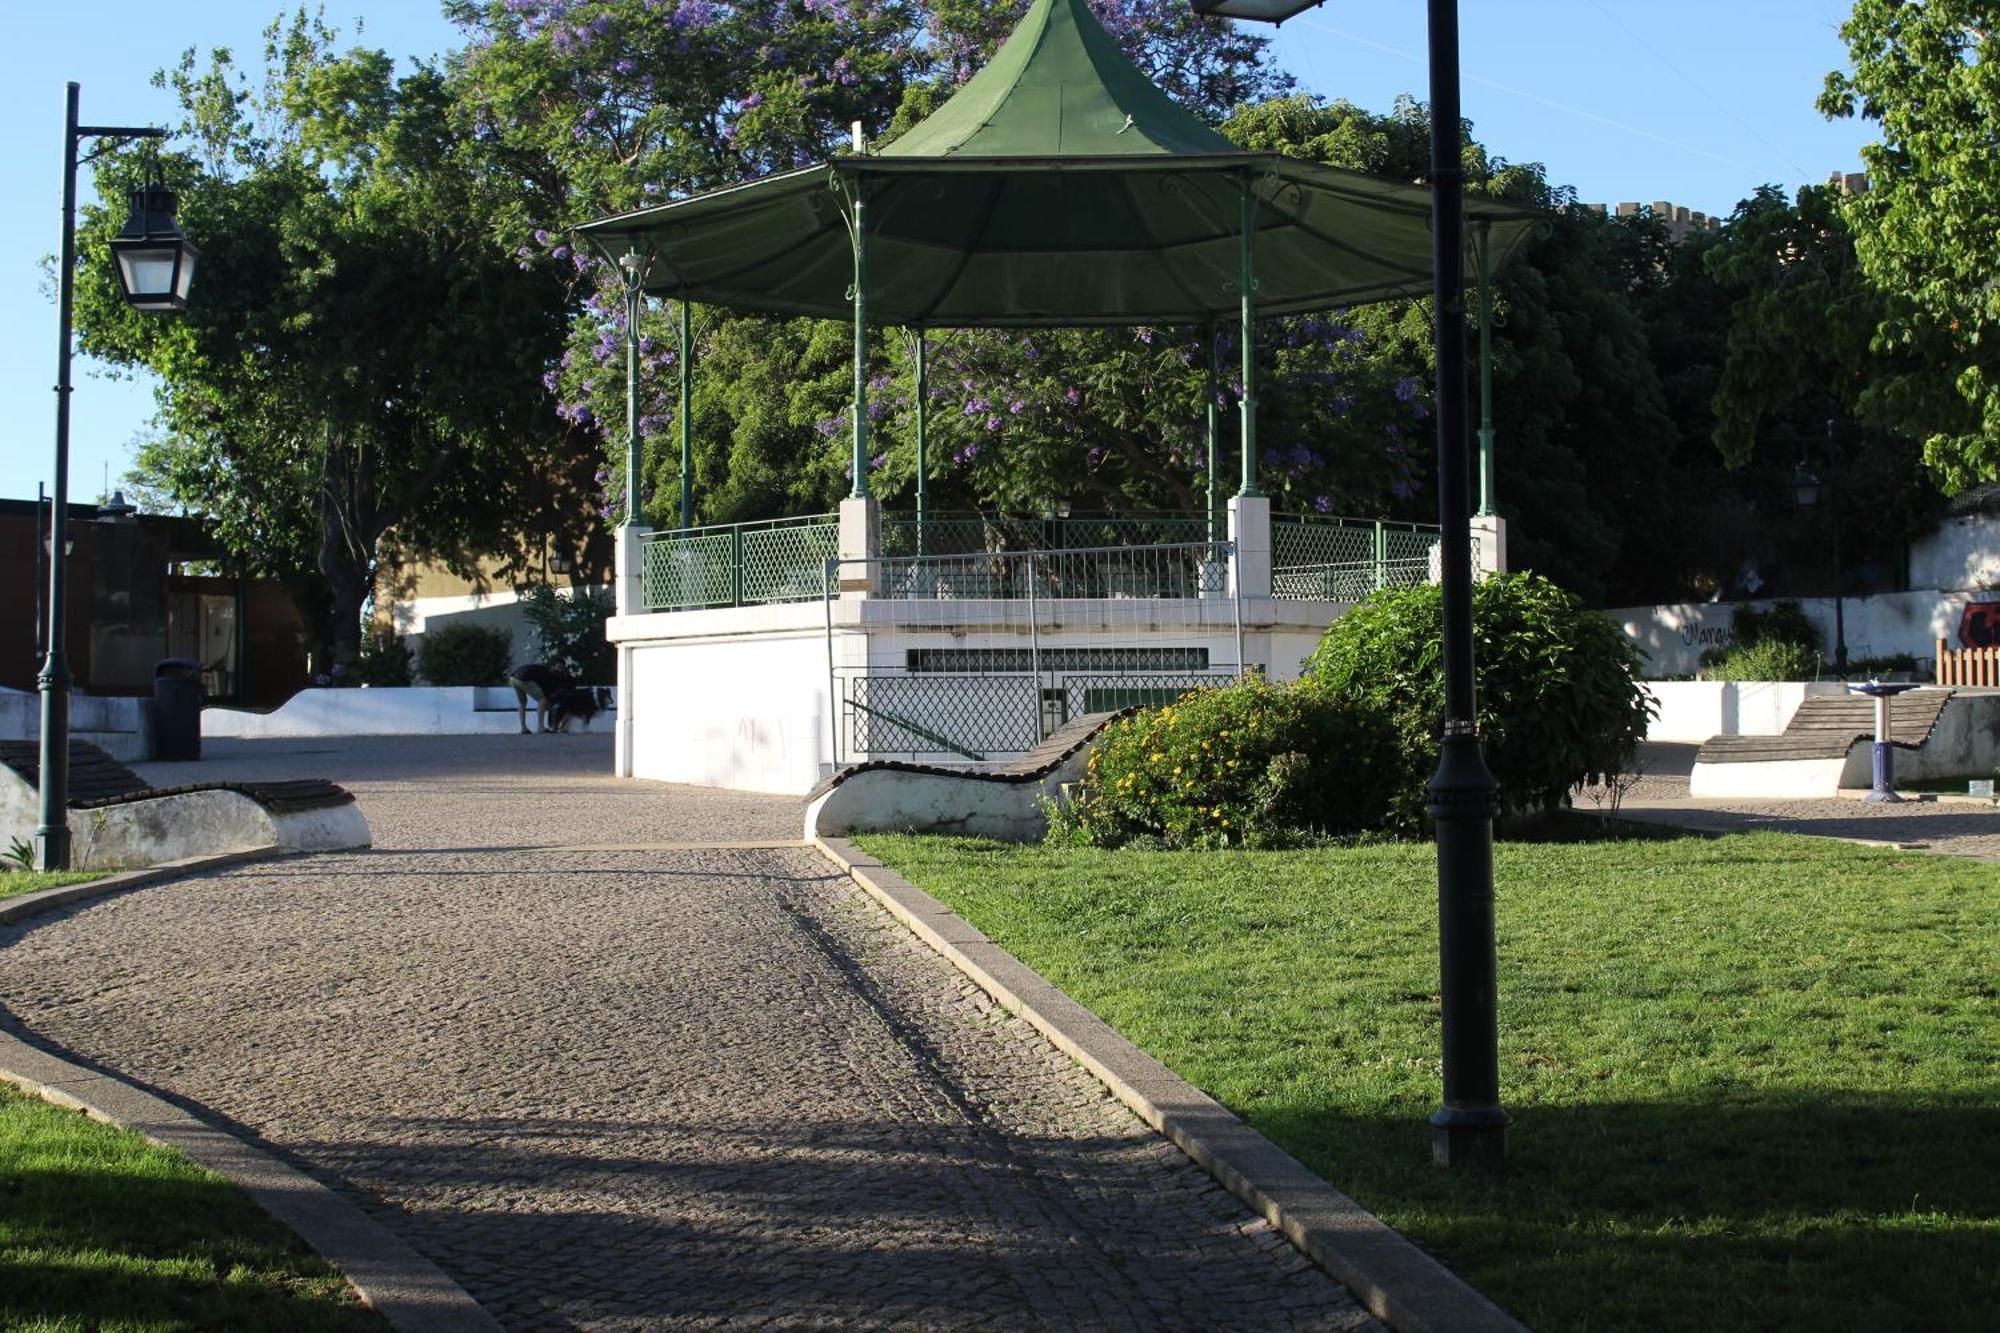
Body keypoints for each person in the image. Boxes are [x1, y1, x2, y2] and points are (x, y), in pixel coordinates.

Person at [507, 662, 575, 735]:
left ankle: (523, 728)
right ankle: (540, 727)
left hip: (513, 678)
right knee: (543, 699)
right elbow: (547, 696)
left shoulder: (544, 670)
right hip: (524, 678)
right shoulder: (550, 676)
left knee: (522, 702)